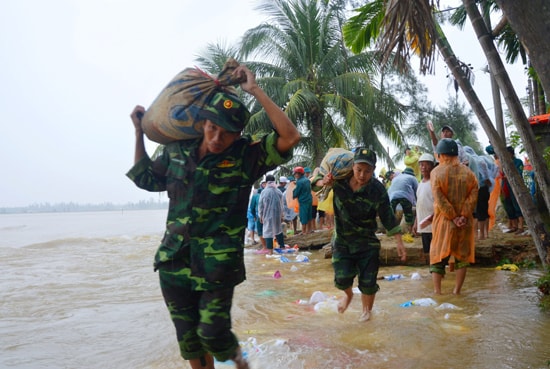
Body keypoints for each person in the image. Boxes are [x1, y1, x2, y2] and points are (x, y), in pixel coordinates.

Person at [127, 64, 300, 369]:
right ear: (203, 121)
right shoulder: (177, 151)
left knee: (214, 333)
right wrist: (139, 133)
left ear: (238, 135)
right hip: (174, 259)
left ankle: (241, 365)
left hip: (217, 265)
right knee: (189, 338)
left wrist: (254, 90)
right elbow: (146, 179)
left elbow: (290, 136)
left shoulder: (247, 157)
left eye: (227, 133)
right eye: (212, 127)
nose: (217, 137)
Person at [313, 147, 407, 322]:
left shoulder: (377, 190)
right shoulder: (339, 179)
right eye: (359, 170)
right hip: (342, 241)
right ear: (353, 167)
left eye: (368, 171)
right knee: (342, 278)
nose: (362, 175)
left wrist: (399, 242)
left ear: (373, 170)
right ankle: (348, 296)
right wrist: (323, 181)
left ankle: (366, 313)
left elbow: (387, 216)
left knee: (368, 282)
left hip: (367, 242)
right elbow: (315, 181)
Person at [430, 138, 478, 295]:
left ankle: (438, 293)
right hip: (465, 223)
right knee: (461, 258)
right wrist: (463, 215)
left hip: (444, 222)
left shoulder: (436, 172)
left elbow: (439, 198)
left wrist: (453, 217)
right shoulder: (468, 173)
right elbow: (473, 193)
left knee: (438, 257)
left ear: (441, 155)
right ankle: (457, 292)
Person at [412, 153, 436, 264]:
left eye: (426, 165)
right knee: (428, 252)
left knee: (436, 252)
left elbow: (439, 205)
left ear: (432, 166)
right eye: (421, 165)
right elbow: (418, 205)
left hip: (434, 225)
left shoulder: (435, 183)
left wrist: (430, 220)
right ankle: (432, 275)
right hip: (424, 226)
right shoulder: (420, 184)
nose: (423, 167)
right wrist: (416, 223)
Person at [258, 174, 285, 255]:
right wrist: (282, 215)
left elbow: (260, 205)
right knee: (278, 230)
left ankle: (270, 252)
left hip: (267, 215)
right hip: (277, 215)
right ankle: (282, 247)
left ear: (266, 182)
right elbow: (282, 205)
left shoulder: (264, 192)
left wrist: (261, 216)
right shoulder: (278, 191)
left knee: (267, 232)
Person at [387, 167, 418, 234]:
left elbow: (390, 191)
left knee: (391, 214)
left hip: (393, 197)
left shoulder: (395, 178)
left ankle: (389, 231)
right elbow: (417, 191)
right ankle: (409, 231)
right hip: (405, 197)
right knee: (408, 214)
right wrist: (417, 203)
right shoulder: (412, 178)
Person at [293, 166, 313, 234]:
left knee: (303, 216)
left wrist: (293, 195)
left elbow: (297, 192)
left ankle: (303, 231)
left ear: (299, 174)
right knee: (309, 215)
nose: (295, 175)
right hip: (309, 199)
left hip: (303, 201)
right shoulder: (307, 180)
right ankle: (309, 230)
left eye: (296, 174)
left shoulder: (299, 182)